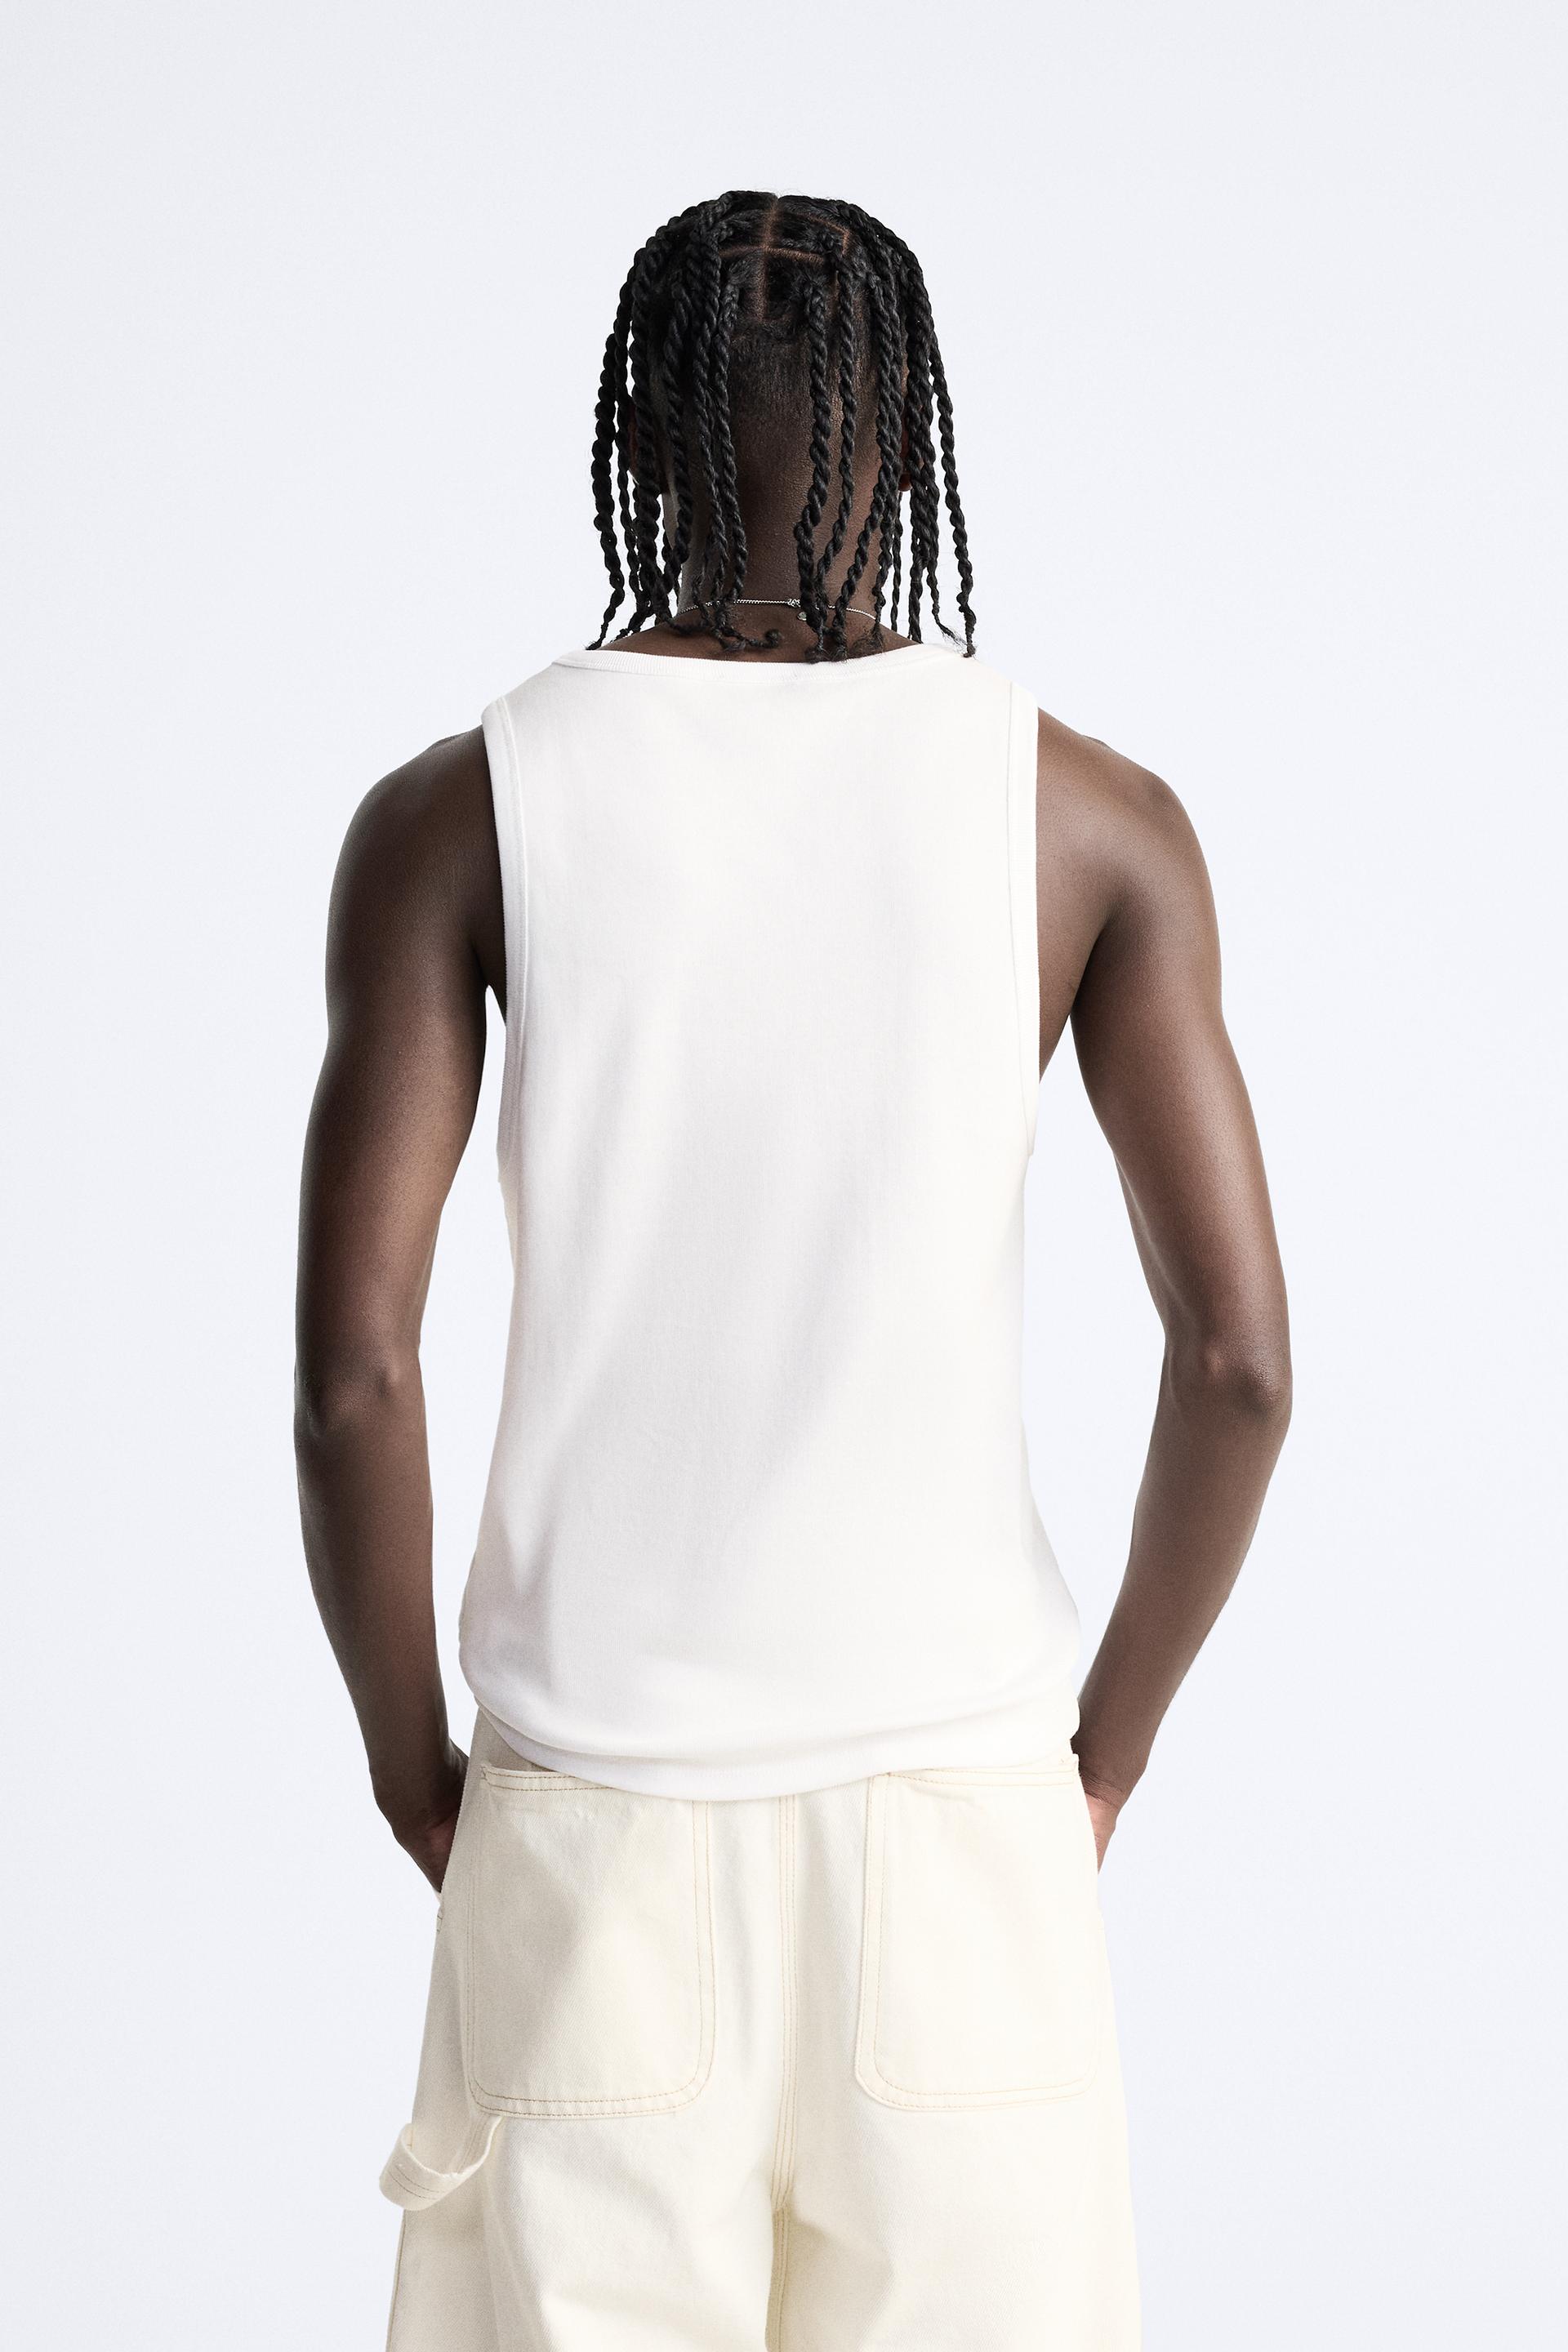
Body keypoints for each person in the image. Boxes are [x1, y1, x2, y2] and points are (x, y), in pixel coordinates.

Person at [295, 190, 1291, 2351]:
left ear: (640, 436)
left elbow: (356, 1369)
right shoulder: (1090, 819)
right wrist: (1102, 1755)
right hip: (963, 1834)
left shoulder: (463, 812)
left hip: (593, 1828)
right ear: (904, 436)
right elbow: (1238, 1363)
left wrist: (410, 1766)